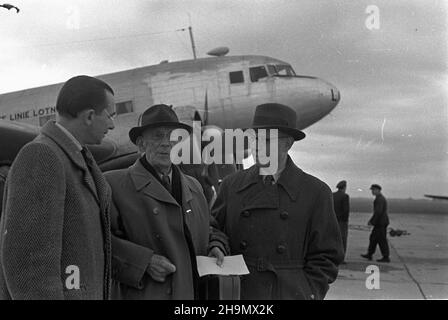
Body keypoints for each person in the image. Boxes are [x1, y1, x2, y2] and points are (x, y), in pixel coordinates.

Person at [212, 103, 344, 300]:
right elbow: (213, 227)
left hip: (288, 293)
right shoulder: (231, 184)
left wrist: (308, 293)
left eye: (268, 140)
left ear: (288, 143)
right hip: (238, 292)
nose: (258, 146)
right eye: (255, 139)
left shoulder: (316, 192)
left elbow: (326, 256)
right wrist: (216, 244)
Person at [0, 75, 115, 299]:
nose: (112, 124)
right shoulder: (42, 155)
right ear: (90, 116)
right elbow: (29, 264)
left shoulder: (74, 156)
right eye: (109, 115)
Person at [105, 104, 228, 300]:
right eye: (157, 135)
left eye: (173, 136)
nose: (166, 143)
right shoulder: (112, 185)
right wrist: (144, 262)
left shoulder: (194, 186)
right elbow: (97, 241)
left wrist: (215, 245)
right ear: (141, 144)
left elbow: (208, 227)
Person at [361, 184, 390, 262]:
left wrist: (372, 221)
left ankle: (386, 257)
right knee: (373, 238)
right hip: (380, 223)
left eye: (373, 190)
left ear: (378, 190)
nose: (372, 192)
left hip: (380, 223)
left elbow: (378, 212)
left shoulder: (379, 199)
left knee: (381, 240)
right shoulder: (379, 198)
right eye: (372, 190)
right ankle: (369, 254)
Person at [333, 180, 350, 263]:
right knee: (342, 240)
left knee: (333, 240)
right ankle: (340, 259)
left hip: (332, 221)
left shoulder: (332, 195)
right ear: (344, 187)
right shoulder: (345, 196)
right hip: (342, 222)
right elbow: (346, 211)